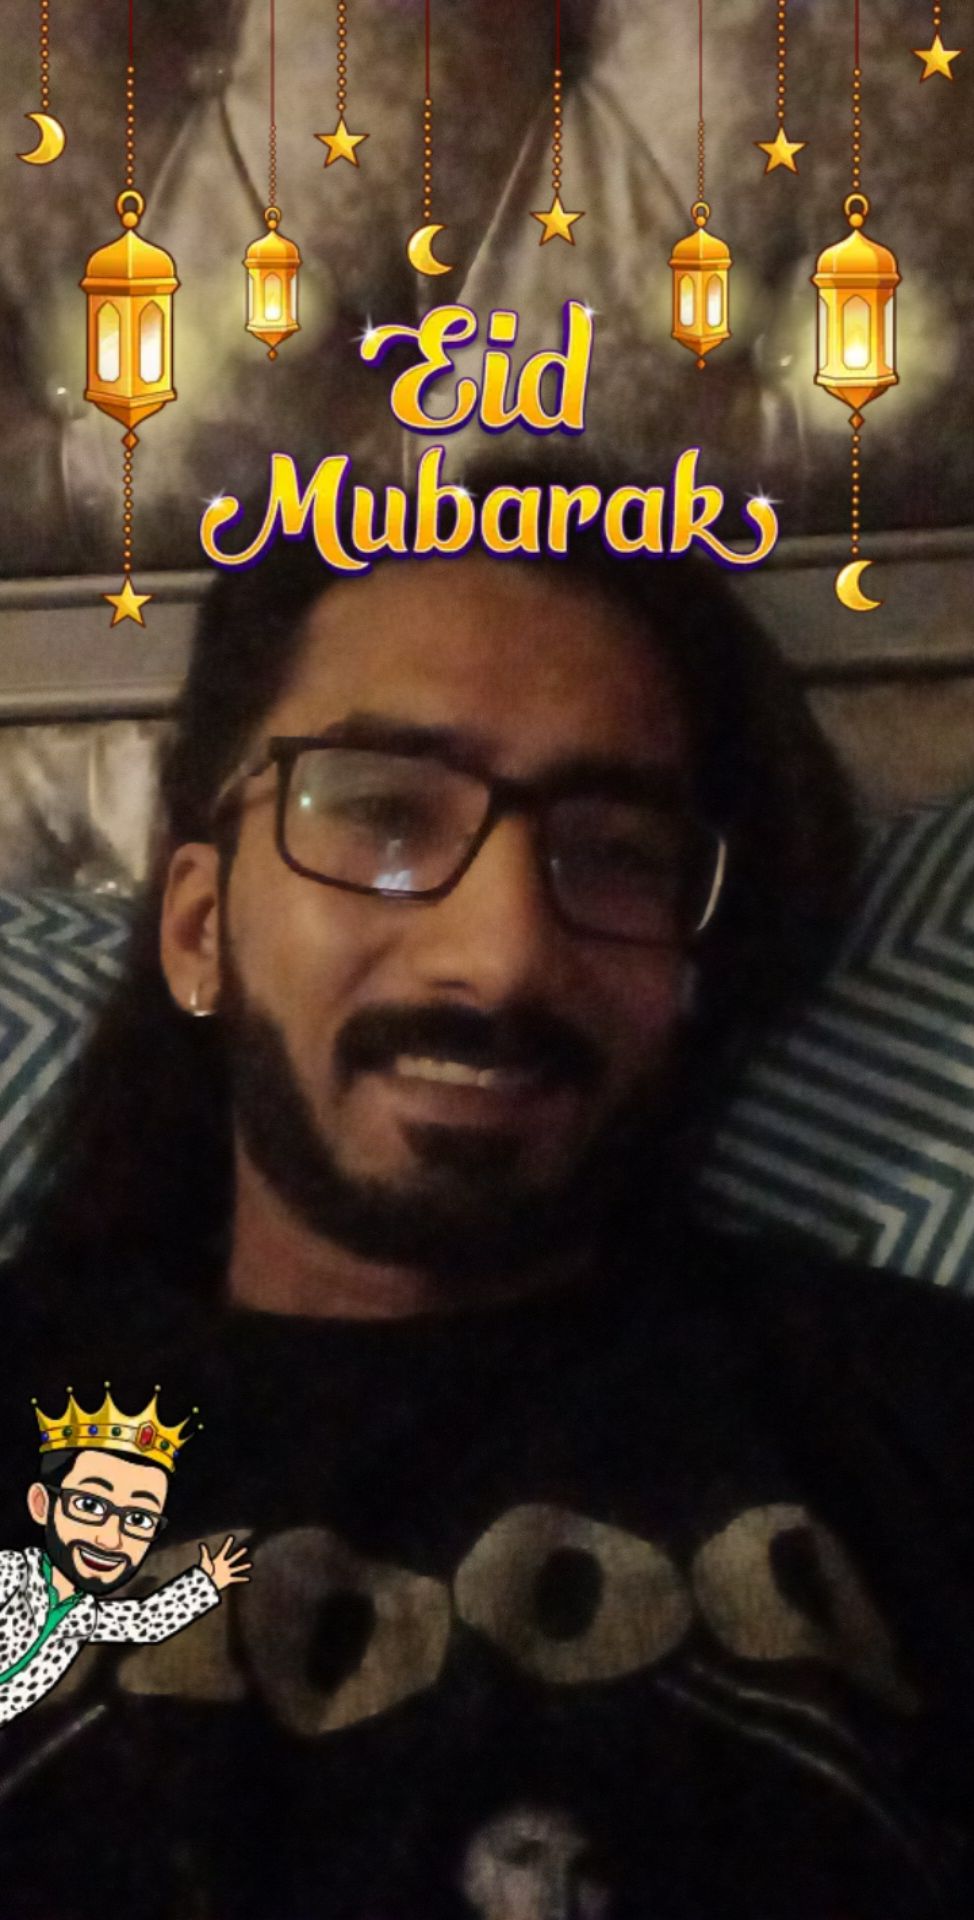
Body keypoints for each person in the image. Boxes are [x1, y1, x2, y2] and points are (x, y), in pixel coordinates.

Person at [2, 484, 974, 1919]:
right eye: (383, 813)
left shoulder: (907, 1412)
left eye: (614, 853)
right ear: (201, 930)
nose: (502, 956)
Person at [0, 1387, 250, 1724]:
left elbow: (146, 1621)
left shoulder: (80, 1615)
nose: (110, 1539)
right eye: (89, 1505)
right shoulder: (11, 1575)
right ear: (42, 1504)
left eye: (139, 1520)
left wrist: (206, 1582)